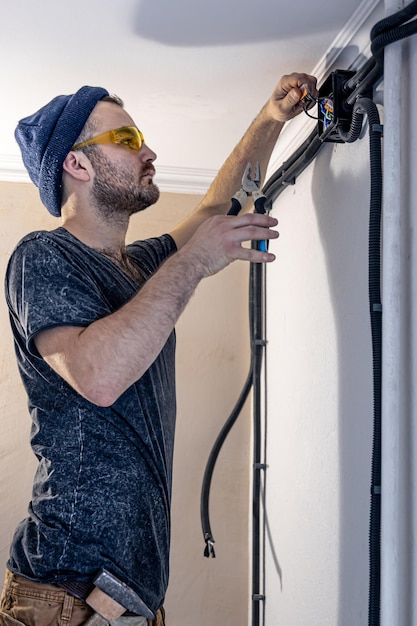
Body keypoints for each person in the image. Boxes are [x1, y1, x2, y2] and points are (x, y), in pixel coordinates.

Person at [0, 72, 317, 626]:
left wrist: (270, 116)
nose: (149, 152)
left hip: (125, 598)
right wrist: (193, 262)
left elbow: (218, 207)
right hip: (64, 595)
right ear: (76, 164)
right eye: (126, 141)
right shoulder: (43, 257)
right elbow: (96, 376)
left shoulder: (141, 267)